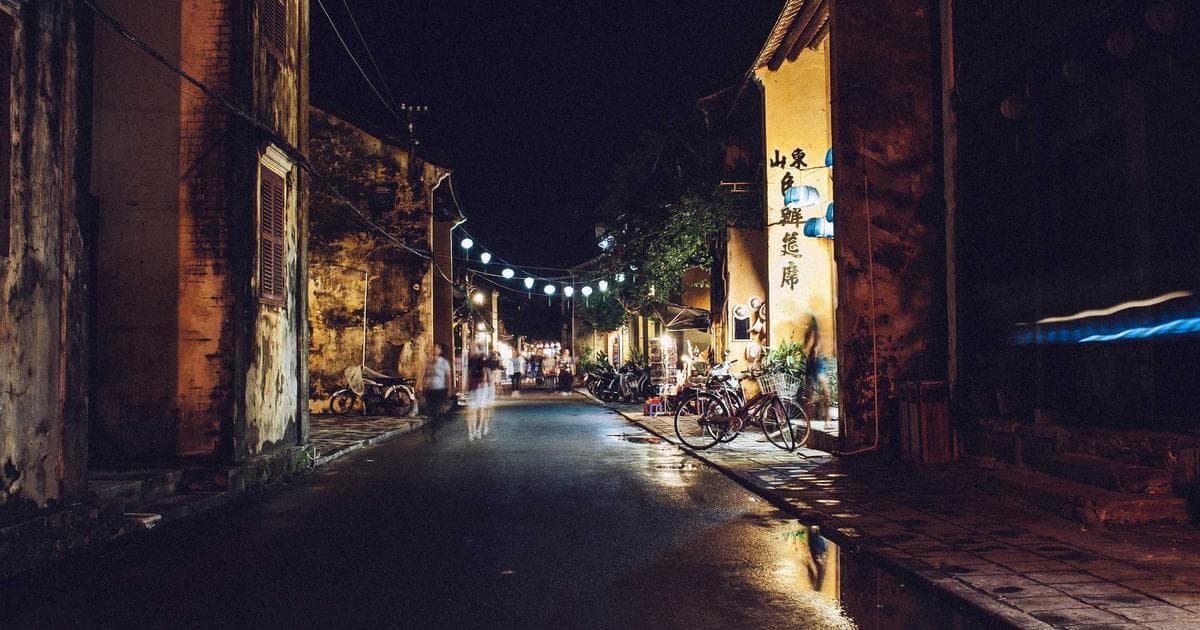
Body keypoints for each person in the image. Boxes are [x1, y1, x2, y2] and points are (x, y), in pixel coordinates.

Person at [802, 314, 832, 427]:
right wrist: (814, 349)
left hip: (816, 363)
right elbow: (807, 345)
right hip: (814, 363)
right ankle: (811, 421)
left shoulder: (816, 334)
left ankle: (824, 421)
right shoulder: (812, 334)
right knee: (816, 393)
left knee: (822, 393)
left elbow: (810, 345)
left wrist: (815, 349)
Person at [466, 341, 493, 440]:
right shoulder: (471, 359)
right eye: (471, 347)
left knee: (480, 408)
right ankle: (471, 431)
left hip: (481, 387)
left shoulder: (483, 359)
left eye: (473, 347)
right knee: (471, 409)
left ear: (478, 348)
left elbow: (486, 373)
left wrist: (484, 384)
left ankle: (478, 429)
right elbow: (469, 373)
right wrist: (467, 384)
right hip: (473, 385)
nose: (471, 349)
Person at [422, 342, 451, 422]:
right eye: (433, 348)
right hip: (429, 388)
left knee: (437, 409)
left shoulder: (444, 362)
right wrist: (422, 386)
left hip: (439, 389)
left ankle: (436, 425)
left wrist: (449, 389)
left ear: (440, 351)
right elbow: (424, 375)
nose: (434, 350)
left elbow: (448, 377)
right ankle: (433, 427)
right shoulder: (428, 361)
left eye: (436, 348)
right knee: (430, 408)